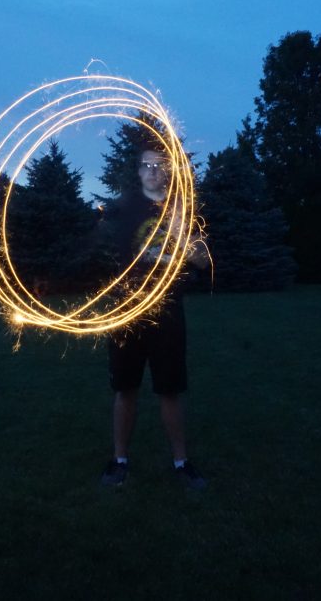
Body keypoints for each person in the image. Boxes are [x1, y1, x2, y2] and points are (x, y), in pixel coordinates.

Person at [98, 143, 210, 489]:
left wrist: (181, 234)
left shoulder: (182, 210)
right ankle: (119, 461)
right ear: (138, 171)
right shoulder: (123, 211)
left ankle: (181, 462)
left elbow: (204, 262)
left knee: (170, 389)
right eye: (146, 165)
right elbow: (102, 256)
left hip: (167, 312)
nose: (152, 171)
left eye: (159, 165)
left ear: (168, 171)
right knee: (125, 387)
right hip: (128, 311)